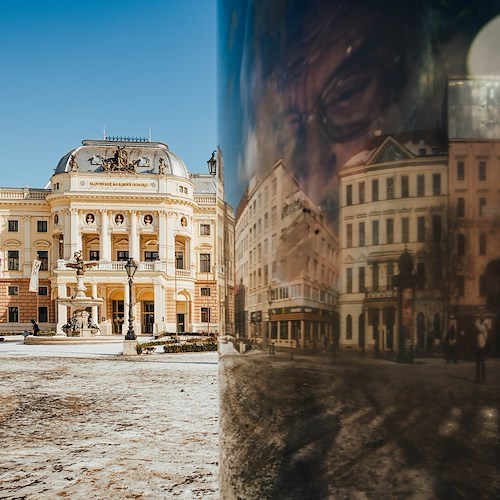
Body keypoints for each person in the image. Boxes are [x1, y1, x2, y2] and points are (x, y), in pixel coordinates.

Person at [475, 318, 488, 383]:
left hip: (481, 347)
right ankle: (479, 378)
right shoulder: (482, 328)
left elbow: (478, 327)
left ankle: (482, 379)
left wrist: (477, 321)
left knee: (481, 362)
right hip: (478, 347)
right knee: (478, 362)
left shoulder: (483, 328)